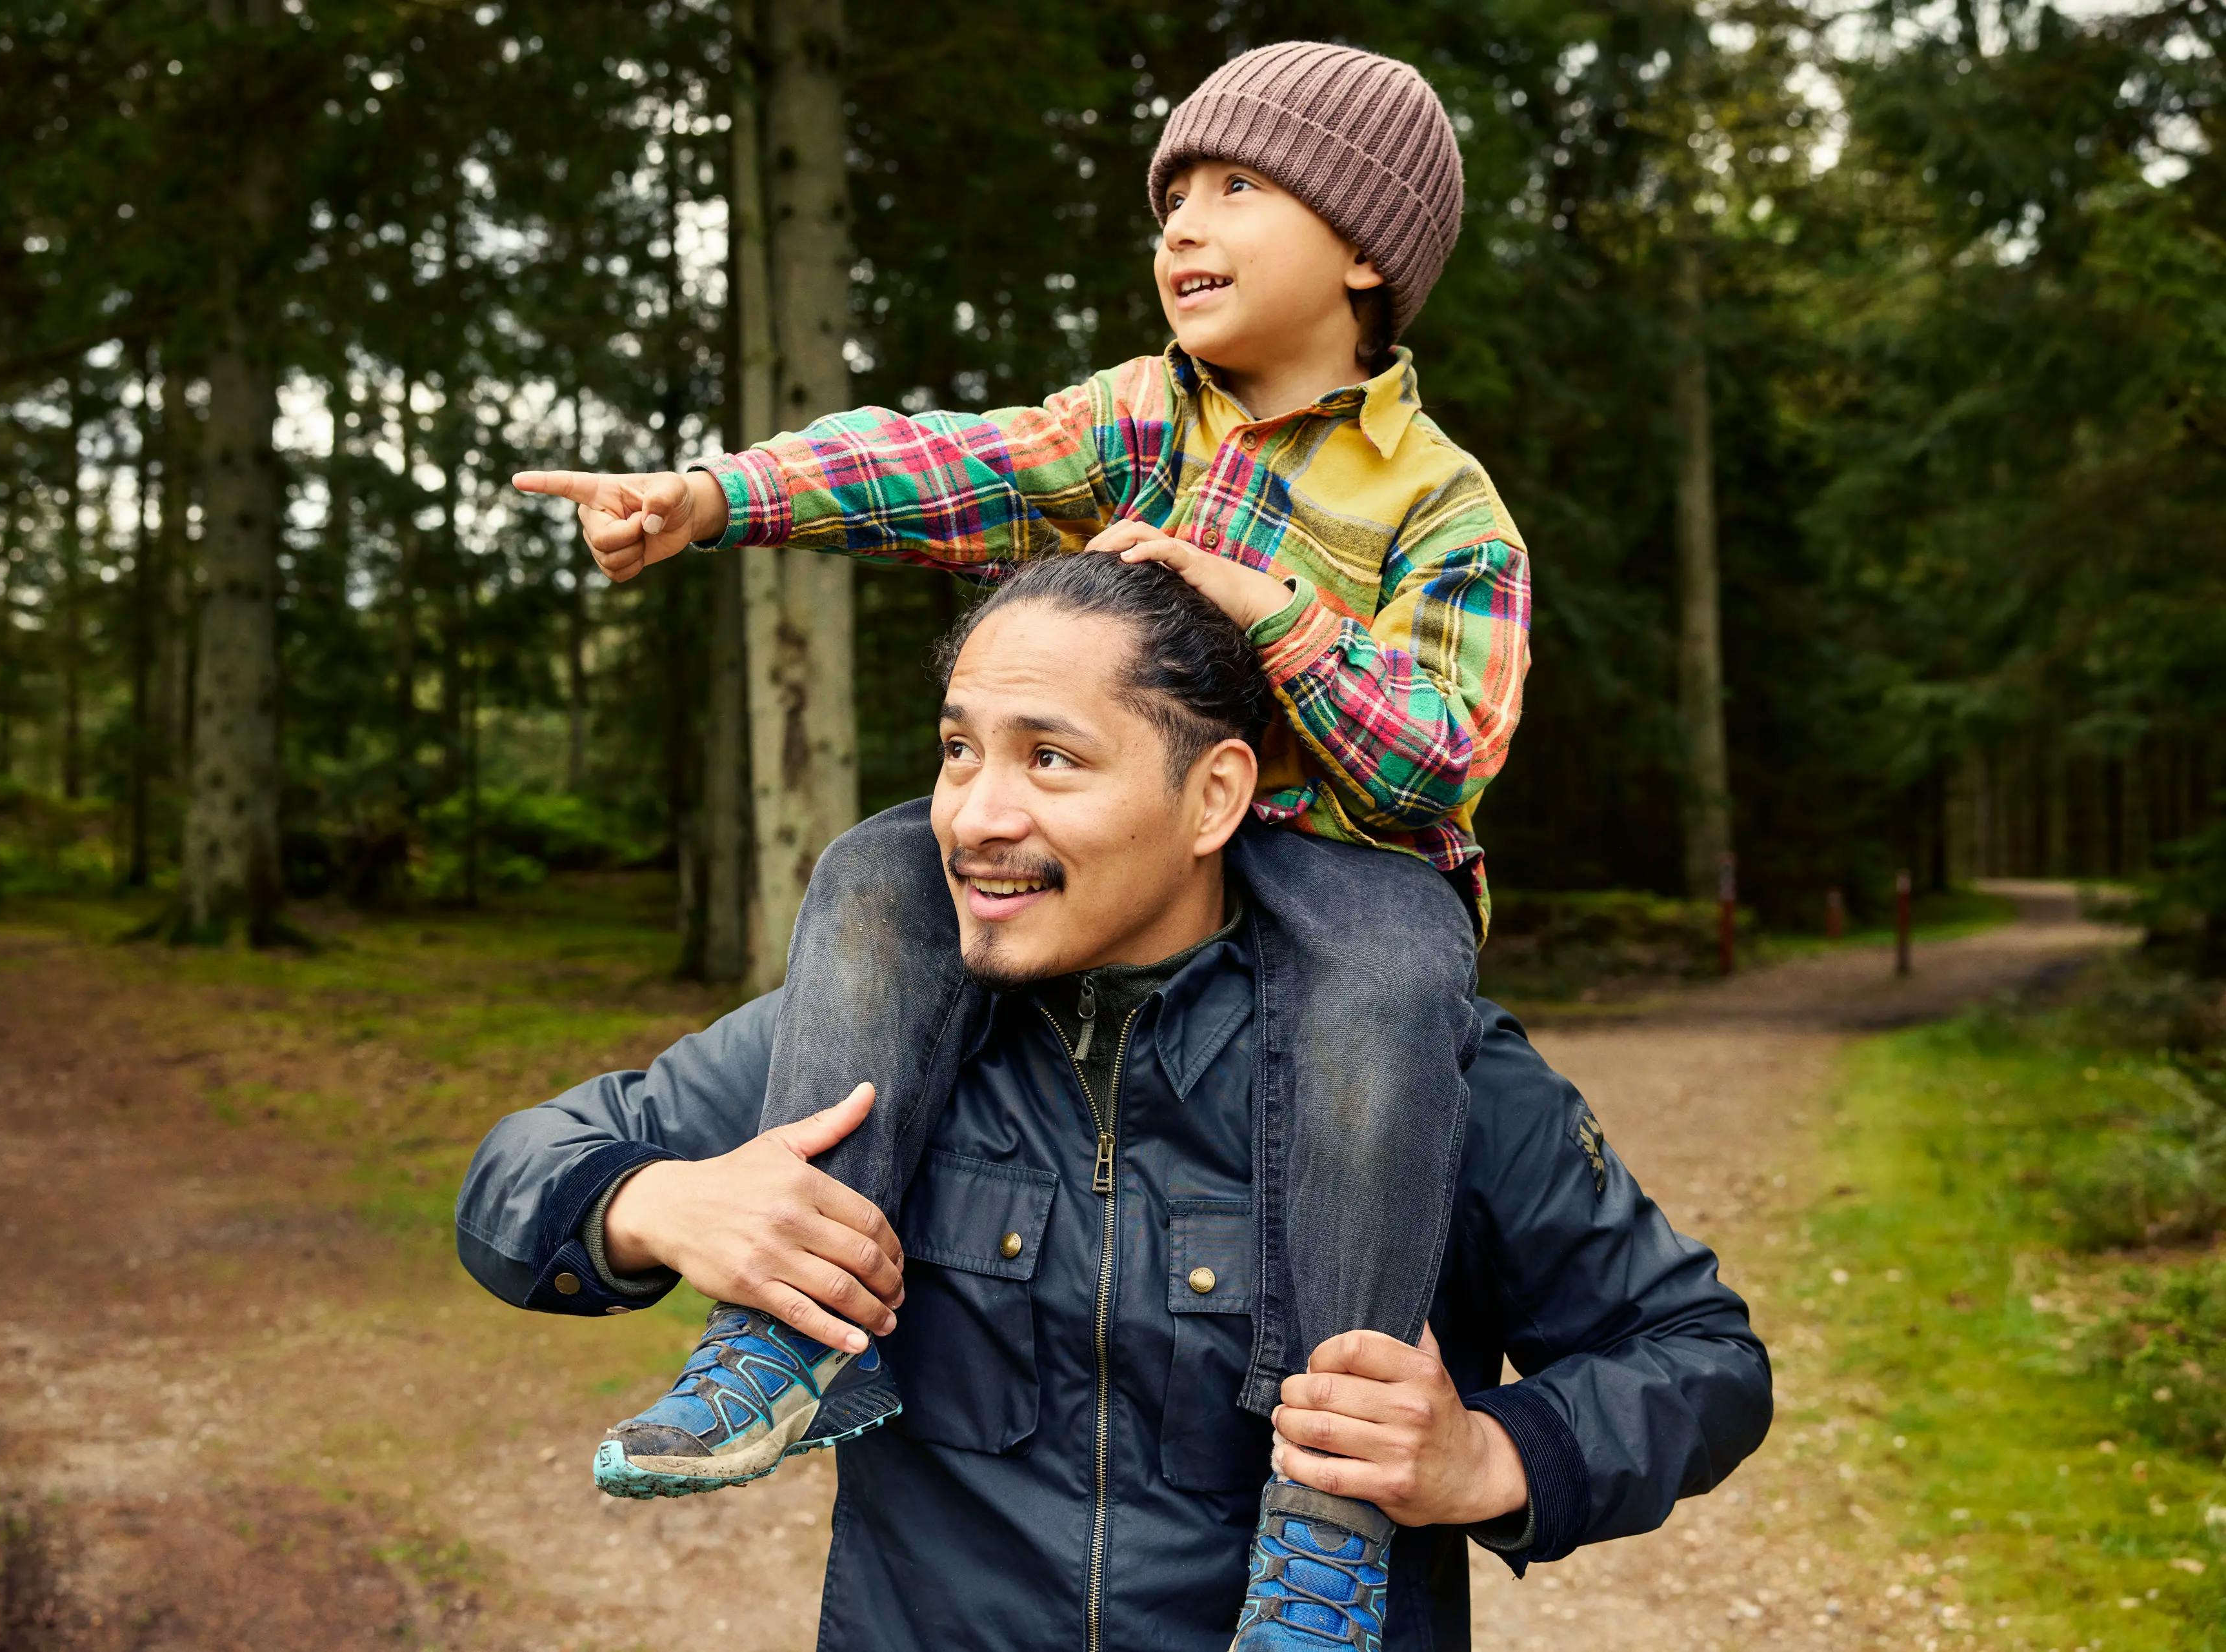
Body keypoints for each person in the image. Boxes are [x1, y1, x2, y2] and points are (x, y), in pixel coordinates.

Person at [512, 43, 1534, 1613]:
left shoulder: (1442, 503)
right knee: (872, 864)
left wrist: (1258, 605)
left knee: (1393, 983)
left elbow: (1445, 755)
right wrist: (719, 496)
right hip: (1123, 848)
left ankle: (1329, 1514)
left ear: (1365, 251)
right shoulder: (1143, 417)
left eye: (1236, 190)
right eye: (1171, 196)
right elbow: (950, 461)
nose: (1183, 226)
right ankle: (786, 1329)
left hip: (1348, 881)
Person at [457, 557, 1769, 1652]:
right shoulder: (869, 1042)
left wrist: (1491, 1458)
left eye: (1053, 760)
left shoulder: (1426, 1070)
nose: (975, 814)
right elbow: (515, 1180)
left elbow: (1702, 1360)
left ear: (1215, 798)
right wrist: (655, 1203)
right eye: (959, 750)